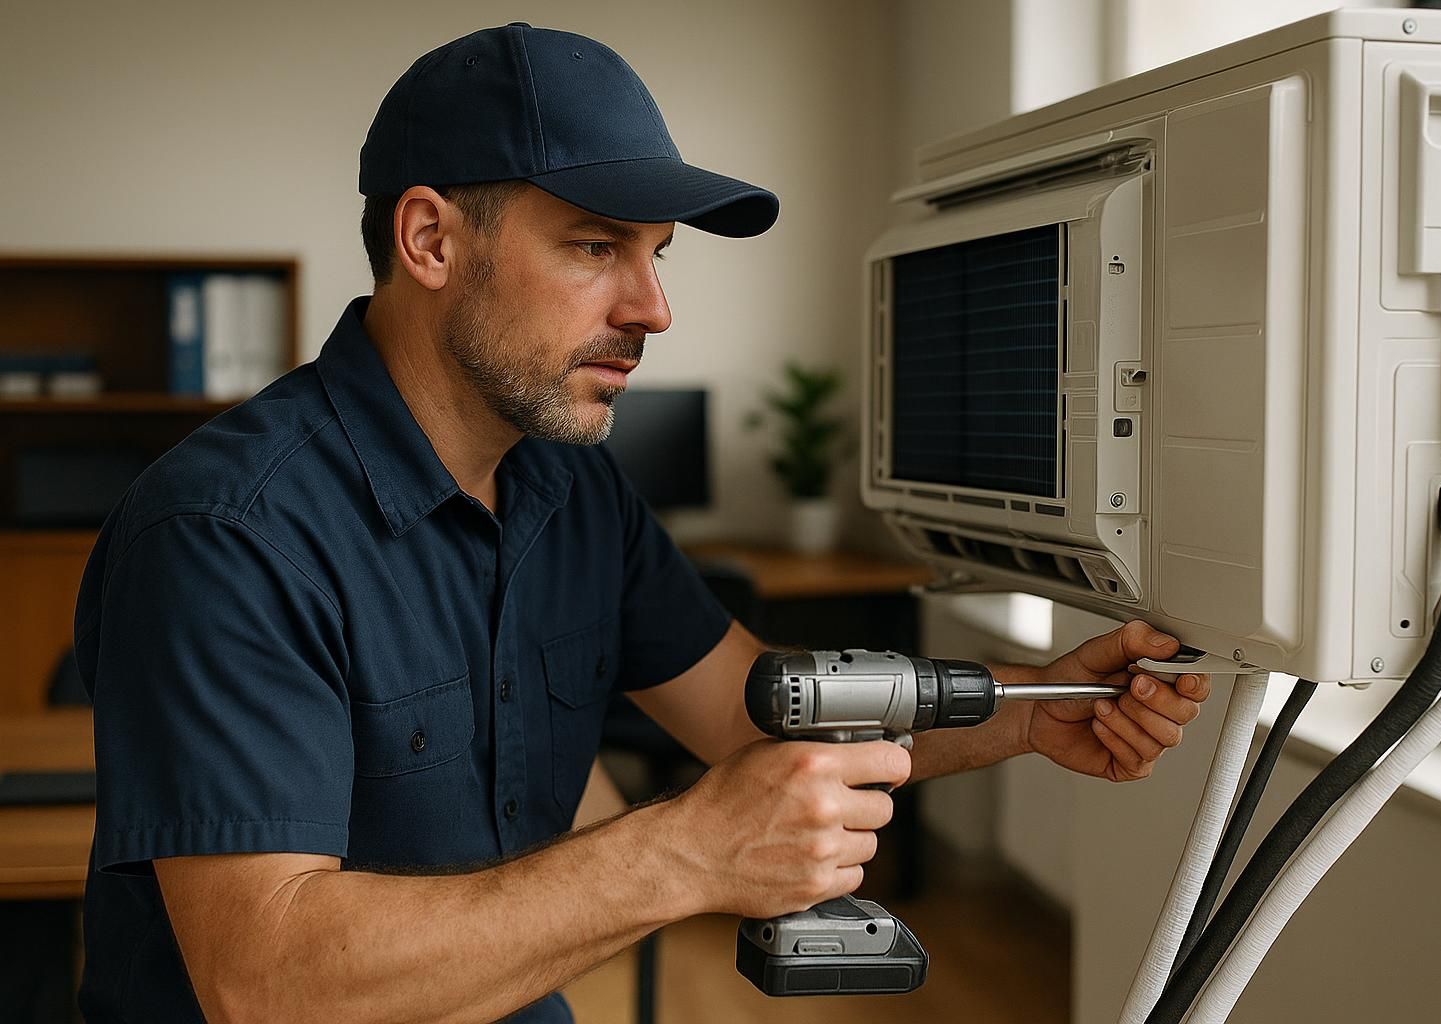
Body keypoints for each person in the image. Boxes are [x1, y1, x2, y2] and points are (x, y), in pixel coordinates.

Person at [72, 22, 1210, 1024]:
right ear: (430, 241)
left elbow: (756, 716)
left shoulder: (572, 493)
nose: (653, 308)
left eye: (657, 255)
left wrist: (1029, 709)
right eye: (594, 245)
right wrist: (686, 852)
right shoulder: (226, 535)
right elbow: (267, 986)